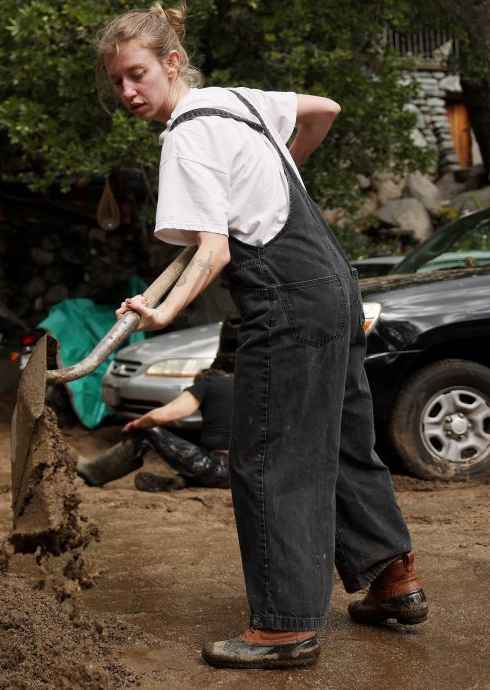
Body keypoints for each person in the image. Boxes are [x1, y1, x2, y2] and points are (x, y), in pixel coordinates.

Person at [99, 4, 424, 670]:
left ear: (169, 62)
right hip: (331, 278)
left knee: (269, 456)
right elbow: (324, 110)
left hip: (284, 293)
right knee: (339, 438)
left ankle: (282, 627)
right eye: (117, 83)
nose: (128, 92)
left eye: (136, 75)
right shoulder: (234, 100)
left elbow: (211, 253)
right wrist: (284, 173)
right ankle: (392, 580)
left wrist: (159, 314)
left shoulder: (186, 138)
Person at [77, 369, 232, 490]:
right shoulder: (246, 389)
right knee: (200, 451)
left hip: (216, 467)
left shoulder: (208, 384)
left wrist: (137, 424)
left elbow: (160, 417)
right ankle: (183, 479)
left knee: (148, 431)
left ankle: (94, 473)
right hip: (247, 475)